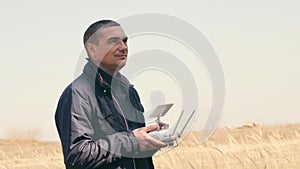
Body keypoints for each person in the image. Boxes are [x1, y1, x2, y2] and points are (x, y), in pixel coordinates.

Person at [54, 20, 166, 169]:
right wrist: (132, 141)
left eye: (125, 41)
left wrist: (151, 139)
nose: (123, 47)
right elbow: (77, 156)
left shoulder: (128, 90)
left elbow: (131, 149)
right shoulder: (77, 93)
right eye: (113, 41)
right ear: (92, 50)